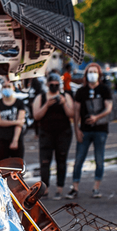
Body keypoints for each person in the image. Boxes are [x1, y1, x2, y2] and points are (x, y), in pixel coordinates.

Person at [66, 62, 113, 199]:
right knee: (79, 159)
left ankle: (96, 187)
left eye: (95, 72)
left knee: (99, 159)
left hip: (100, 129)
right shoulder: (81, 91)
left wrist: (96, 117)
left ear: (99, 74)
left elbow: (108, 108)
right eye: (90, 72)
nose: (92, 74)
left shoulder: (104, 89)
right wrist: (77, 129)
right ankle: (74, 188)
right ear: (86, 75)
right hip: (85, 130)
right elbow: (76, 112)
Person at [33, 72, 75, 200]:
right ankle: (45, 190)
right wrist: (47, 104)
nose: (54, 87)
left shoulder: (65, 96)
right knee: (45, 161)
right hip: (46, 134)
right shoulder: (41, 97)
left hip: (63, 133)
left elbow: (71, 113)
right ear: (47, 84)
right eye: (52, 85)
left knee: (61, 161)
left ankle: (59, 189)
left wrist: (63, 103)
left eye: (56, 85)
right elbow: (36, 115)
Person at [0, 79, 26, 161]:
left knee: (17, 166)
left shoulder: (19, 103)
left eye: (8, 86)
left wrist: (15, 140)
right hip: (2, 139)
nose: (6, 88)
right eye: (4, 87)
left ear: (13, 88)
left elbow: (20, 124)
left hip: (16, 139)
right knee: (3, 165)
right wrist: (16, 121)